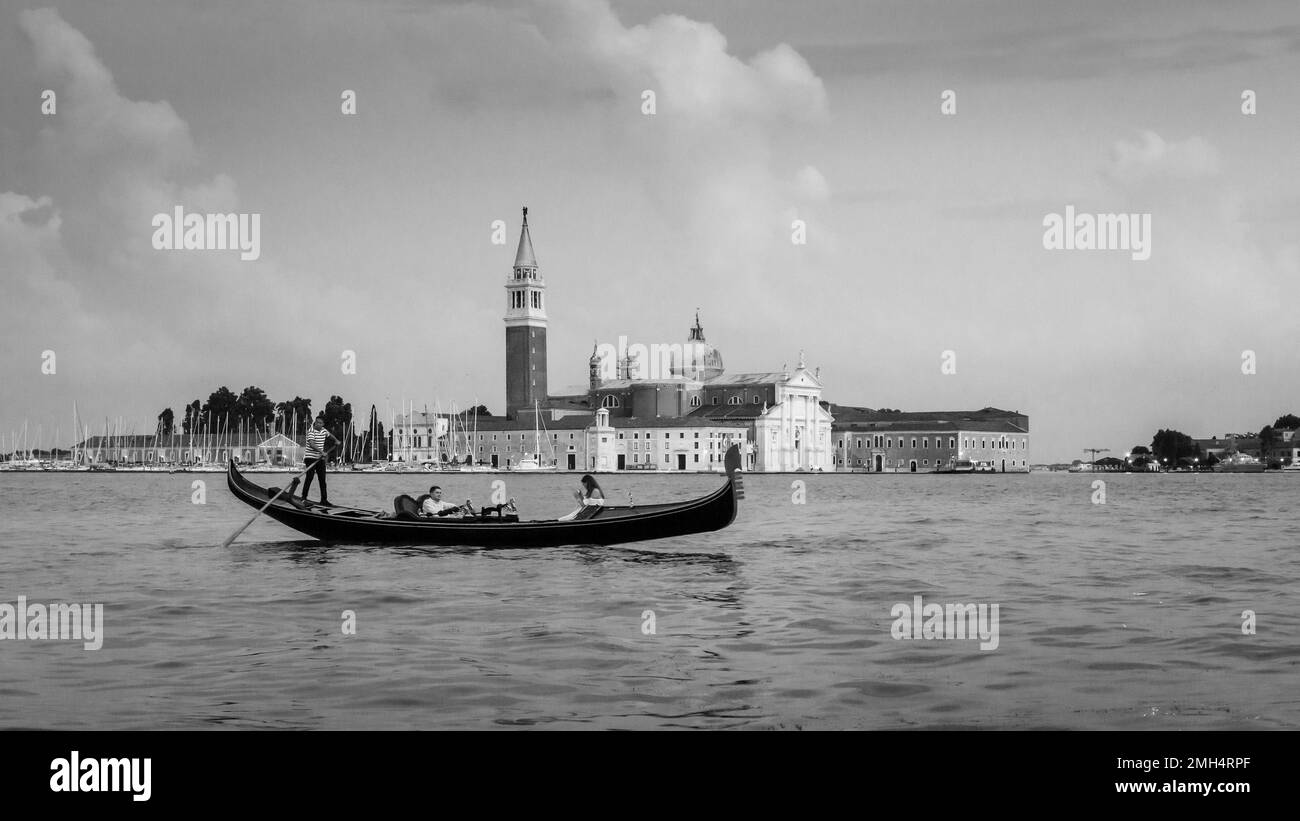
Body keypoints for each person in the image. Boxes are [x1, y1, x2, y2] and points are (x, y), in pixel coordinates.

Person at [301, 416, 339, 506]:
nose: (318, 424)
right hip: (310, 458)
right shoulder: (311, 431)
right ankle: (303, 498)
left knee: (322, 479)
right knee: (309, 477)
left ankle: (324, 500)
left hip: (320, 459)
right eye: (317, 422)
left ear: (323, 424)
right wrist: (322, 451)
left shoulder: (324, 430)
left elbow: (330, 435)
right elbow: (311, 444)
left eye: (320, 423)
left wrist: (336, 440)